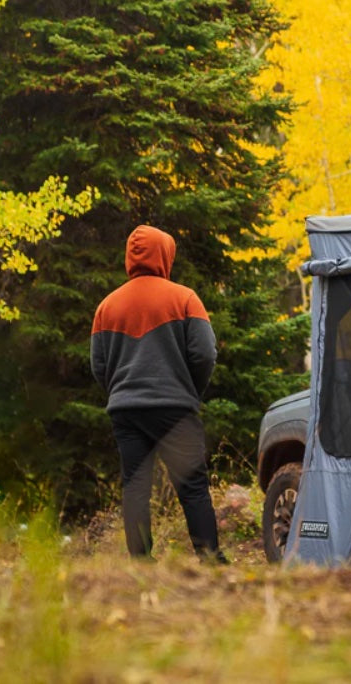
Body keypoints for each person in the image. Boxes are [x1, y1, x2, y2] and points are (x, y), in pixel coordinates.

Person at [91, 225, 226, 562]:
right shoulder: (184, 298)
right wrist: (189, 390)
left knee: (135, 487)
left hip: (126, 410)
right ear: (165, 254)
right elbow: (206, 354)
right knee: (192, 485)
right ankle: (209, 559)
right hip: (175, 408)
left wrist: (120, 393)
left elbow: (98, 364)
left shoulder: (107, 306)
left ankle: (141, 562)